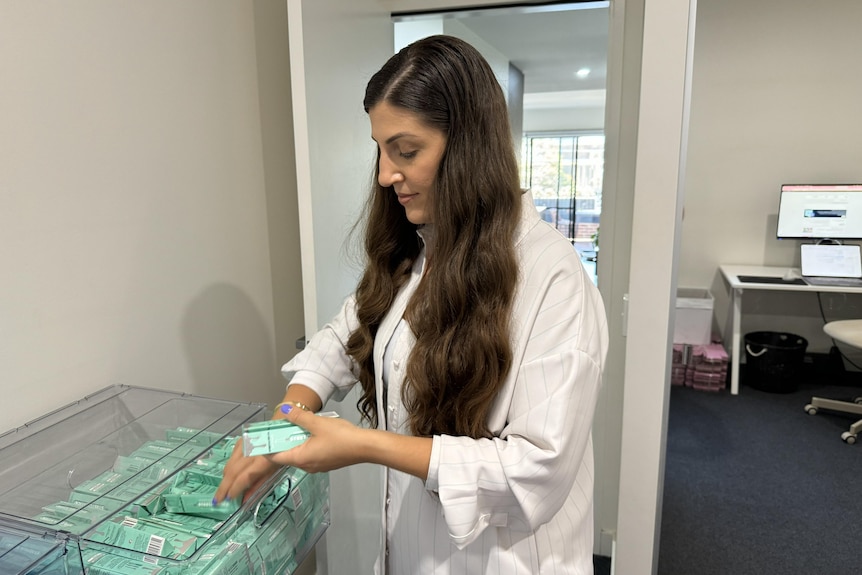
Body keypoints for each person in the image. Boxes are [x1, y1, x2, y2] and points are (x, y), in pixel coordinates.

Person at [216, 34, 608, 574]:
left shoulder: (554, 277)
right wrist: (284, 422)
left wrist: (365, 445)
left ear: (470, 146)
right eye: (379, 149)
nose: (384, 174)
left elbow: (535, 470)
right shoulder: (417, 252)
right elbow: (338, 341)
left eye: (406, 151)